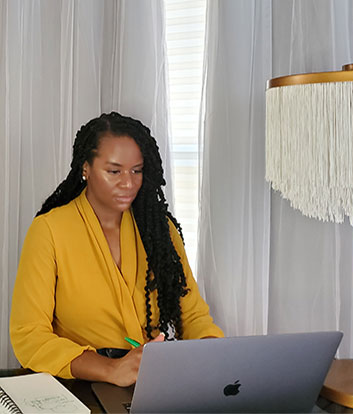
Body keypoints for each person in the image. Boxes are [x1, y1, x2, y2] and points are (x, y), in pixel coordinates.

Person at [10, 112, 224, 387]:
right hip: (80, 386)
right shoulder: (49, 231)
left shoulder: (160, 230)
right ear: (85, 168)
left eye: (137, 170)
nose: (128, 182)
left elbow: (193, 315)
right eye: (114, 171)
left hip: (151, 381)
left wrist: (214, 356)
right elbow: (29, 337)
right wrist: (110, 369)